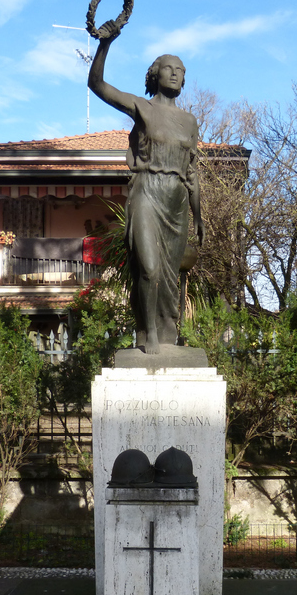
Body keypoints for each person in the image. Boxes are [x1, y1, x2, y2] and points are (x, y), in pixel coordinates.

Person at [88, 27, 204, 354]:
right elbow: (96, 85)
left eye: (181, 71)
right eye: (169, 68)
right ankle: (148, 333)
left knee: (169, 277)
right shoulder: (142, 107)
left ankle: (168, 334)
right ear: (155, 74)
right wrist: (105, 45)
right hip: (147, 193)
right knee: (149, 268)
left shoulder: (190, 122)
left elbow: (191, 173)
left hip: (177, 202)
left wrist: (199, 217)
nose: (176, 74)